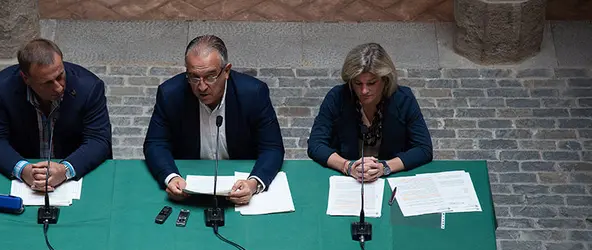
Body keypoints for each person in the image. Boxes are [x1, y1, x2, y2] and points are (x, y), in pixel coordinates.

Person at [143, 35, 284, 205]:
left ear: (226, 71)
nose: (201, 86)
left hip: (238, 180)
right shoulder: (170, 94)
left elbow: (272, 147)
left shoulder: (253, 93)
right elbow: (155, 143)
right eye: (194, 77)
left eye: (210, 77)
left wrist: (253, 183)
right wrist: (171, 177)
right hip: (190, 184)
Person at [0, 38, 112, 191]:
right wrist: (24, 170)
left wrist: (65, 170)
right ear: (26, 78)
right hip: (25, 177)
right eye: (47, 82)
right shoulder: (0, 89)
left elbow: (99, 140)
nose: (58, 87)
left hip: (76, 175)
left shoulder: (89, 88)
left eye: (60, 76)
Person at [307, 43, 432, 182]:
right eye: (357, 83)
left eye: (371, 83)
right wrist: (347, 166)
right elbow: (316, 144)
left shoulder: (404, 99)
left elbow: (423, 149)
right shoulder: (337, 97)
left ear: (385, 80)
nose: (364, 91)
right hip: (345, 179)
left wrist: (385, 167)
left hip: (391, 178)